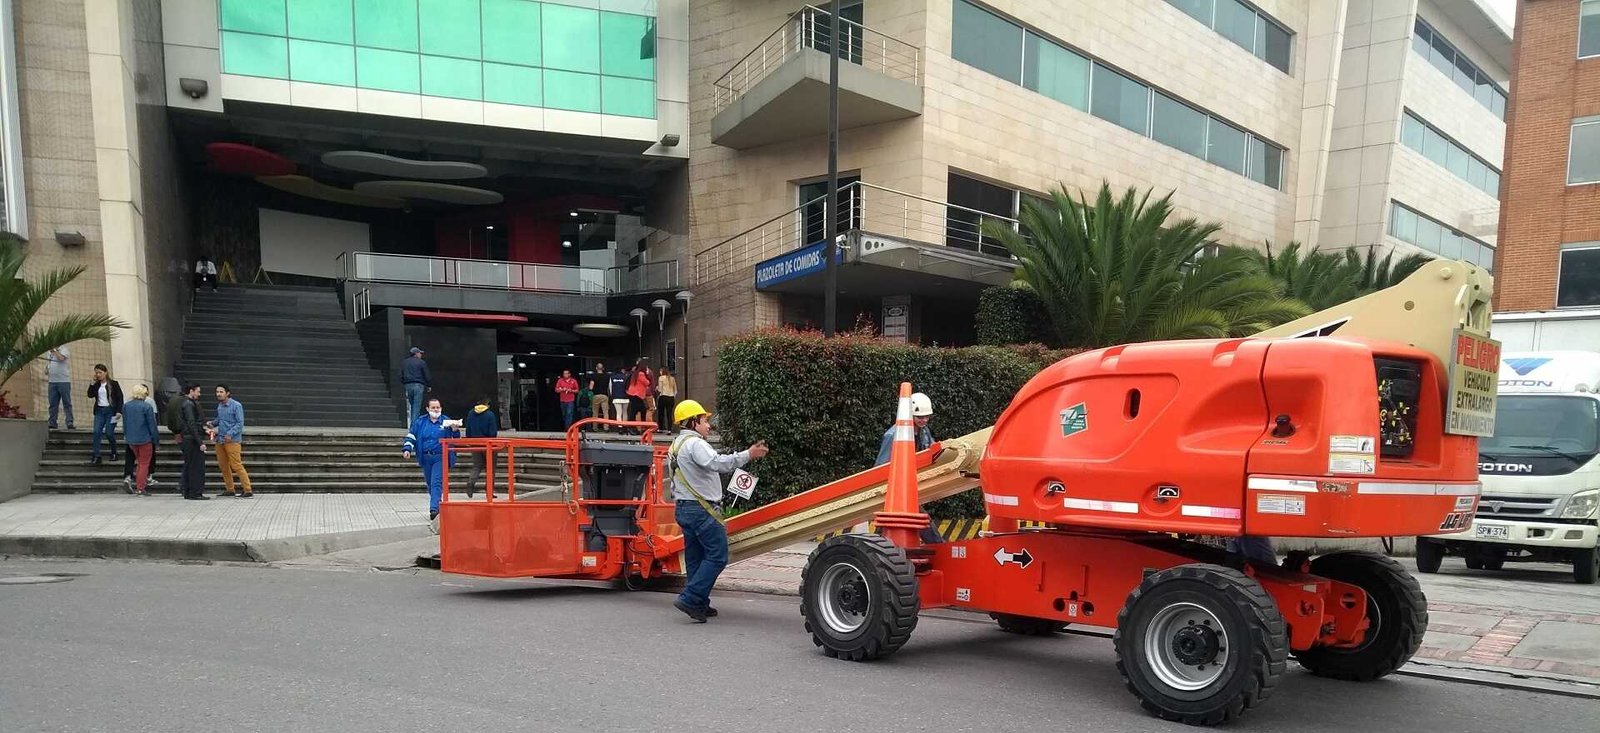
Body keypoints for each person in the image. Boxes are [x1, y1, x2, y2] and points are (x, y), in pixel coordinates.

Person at [668, 399, 769, 623]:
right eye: (704, 420)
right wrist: (748, 455)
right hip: (701, 509)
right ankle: (692, 597)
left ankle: (698, 603)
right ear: (692, 422)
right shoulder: (695, 444)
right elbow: (718, 463)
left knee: (695, 558)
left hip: (684, 508)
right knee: (717, 556)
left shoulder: (675, 445)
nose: (708, 425)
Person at [873, 392, 944, 544]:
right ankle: (939, 547)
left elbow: (931, 451)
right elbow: (881, 467)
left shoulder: (924, 431)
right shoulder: (893, 435)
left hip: (911, 483)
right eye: (920, 417)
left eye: (927, 416)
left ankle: (876, 547)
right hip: (897, 488)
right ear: (910, 414)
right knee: (918, 518)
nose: (924, 420)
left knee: (891, 522)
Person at [403, 397, 461, 521]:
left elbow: (456, 440)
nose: (436, 410)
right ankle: (438, 505)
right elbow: (412, 435)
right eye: (433, 407)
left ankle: (433, 509)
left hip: (440, 457)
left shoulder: (447, 421)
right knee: (430, 484)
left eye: (438, 407)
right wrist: (407, 449)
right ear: (427, 409)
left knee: (436, 482)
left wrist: (455, 430)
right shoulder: (420, 422)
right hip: (425, 457)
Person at [209, 384, 253, 498]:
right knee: (223, 466)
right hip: (220, 440)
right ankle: (230, 489)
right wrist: (213, 423)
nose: (218, 394)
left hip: (232, 440)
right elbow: (220, 419)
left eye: (221, 392)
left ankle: (247, 489)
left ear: (227, 393)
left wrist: (230, 433)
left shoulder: (236, 406)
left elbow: (240, 423)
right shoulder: (220, 406)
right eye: (217, 392)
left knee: (236, 465)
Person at [121, 384, 158, 496]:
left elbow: (125, 423)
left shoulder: (126, 406)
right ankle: (141, 487)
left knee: (139, 463)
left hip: (131, 439)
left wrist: (126, 436)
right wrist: (155, 439)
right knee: (144, 464)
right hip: (145, 439)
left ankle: (138, 484)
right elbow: (152, 425)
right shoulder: (147, 407)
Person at [176, 383, 210, 500]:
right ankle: (195, 492)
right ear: (192, 391)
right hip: (191, 439)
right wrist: (200, 442)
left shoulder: (186, 403)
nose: (199, 394)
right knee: (196, 467)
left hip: (188, 438)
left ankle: (188, 491)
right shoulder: (189, 404)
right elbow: (191, 423)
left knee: (190, 465)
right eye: (198, 391)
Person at [86, 364, 124, 466]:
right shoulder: (97, 384)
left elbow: (120, 397)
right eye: (96, 372)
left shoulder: (114, 384)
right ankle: (96, 455)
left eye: (100, 372)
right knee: (96, 432)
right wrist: (92, 383)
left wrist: (119, 411)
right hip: (99, 410)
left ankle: (114, 452)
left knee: (109, 433)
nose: (98, 375)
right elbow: (90, 395)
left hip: (111, 410)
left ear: (105, 372)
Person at [463, 396, 498, 498]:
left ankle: (471, 482)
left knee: (477, 466)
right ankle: (489, 492)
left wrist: (470, 441)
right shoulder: (490, 415)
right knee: (490, 469)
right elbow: (493, 432)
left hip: (475, 444)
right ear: (487, 404)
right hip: (488, 444)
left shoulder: (470, 413)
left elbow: (468, 429)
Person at [43, 345, 74, 430]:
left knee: (67, 403)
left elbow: (61, 358)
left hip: (63, 381)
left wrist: (54, 351)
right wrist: (47, 368)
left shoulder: (64, 349)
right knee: (53, 404)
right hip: (52, 381)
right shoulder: (49, 352)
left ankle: (69, 422)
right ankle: (52, 422)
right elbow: (50, 362)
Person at [400, 346, 431, 426]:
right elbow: (426, 375)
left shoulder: (404, 362)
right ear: (416, 353)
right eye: (420, 353)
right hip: (418, 385)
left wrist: (404, 383)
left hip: (408, 385)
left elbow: (400, 374)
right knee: (416, 406)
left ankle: (412, 424)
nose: (421, 354)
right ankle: (414, 427)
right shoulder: (421, 362)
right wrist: (428, 385)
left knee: (411, 405)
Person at [626, 359, 652, 427]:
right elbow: (647, 383)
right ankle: (637, 426)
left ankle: (632, 427)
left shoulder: (636, 373)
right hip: (637, 394)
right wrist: (647, 373)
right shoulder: (641, 374)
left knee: (634, 411)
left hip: (633, 394)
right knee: (641, 410)